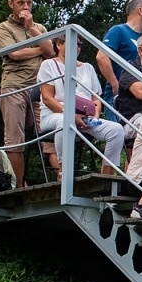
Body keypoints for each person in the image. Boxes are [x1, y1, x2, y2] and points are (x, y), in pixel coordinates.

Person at [37, 31, 124, 177]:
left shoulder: (88, 68)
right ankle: (63, 173)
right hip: (55, 115)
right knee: (65, 121)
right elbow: (47, 98)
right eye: (73, 43)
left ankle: (107, 177)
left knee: (116, 130)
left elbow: (96, 99)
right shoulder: (48, 65)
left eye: (79, 44)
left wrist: (95, 115)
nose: (77, 47)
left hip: (85, 116)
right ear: (59, 45)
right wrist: (70, 114)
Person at [0, 0, 55, 189]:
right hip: (14, 86)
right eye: (20, 3)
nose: (25, 7)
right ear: (10, 4)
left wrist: (31, 28)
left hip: (40, 87)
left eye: (29, 2)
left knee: (51, 131)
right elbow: (14, 54)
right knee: (15, 137)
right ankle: (20, 186)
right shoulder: (3, 28)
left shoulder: (40, 28)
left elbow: (51, 52)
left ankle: (62, 178)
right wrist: (40, 49)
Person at [95, 0, 142, 103]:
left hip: (139, 94)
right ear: (140, 11)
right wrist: (114, 83)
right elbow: (102, 56)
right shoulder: (118, 31)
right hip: (120, 93)